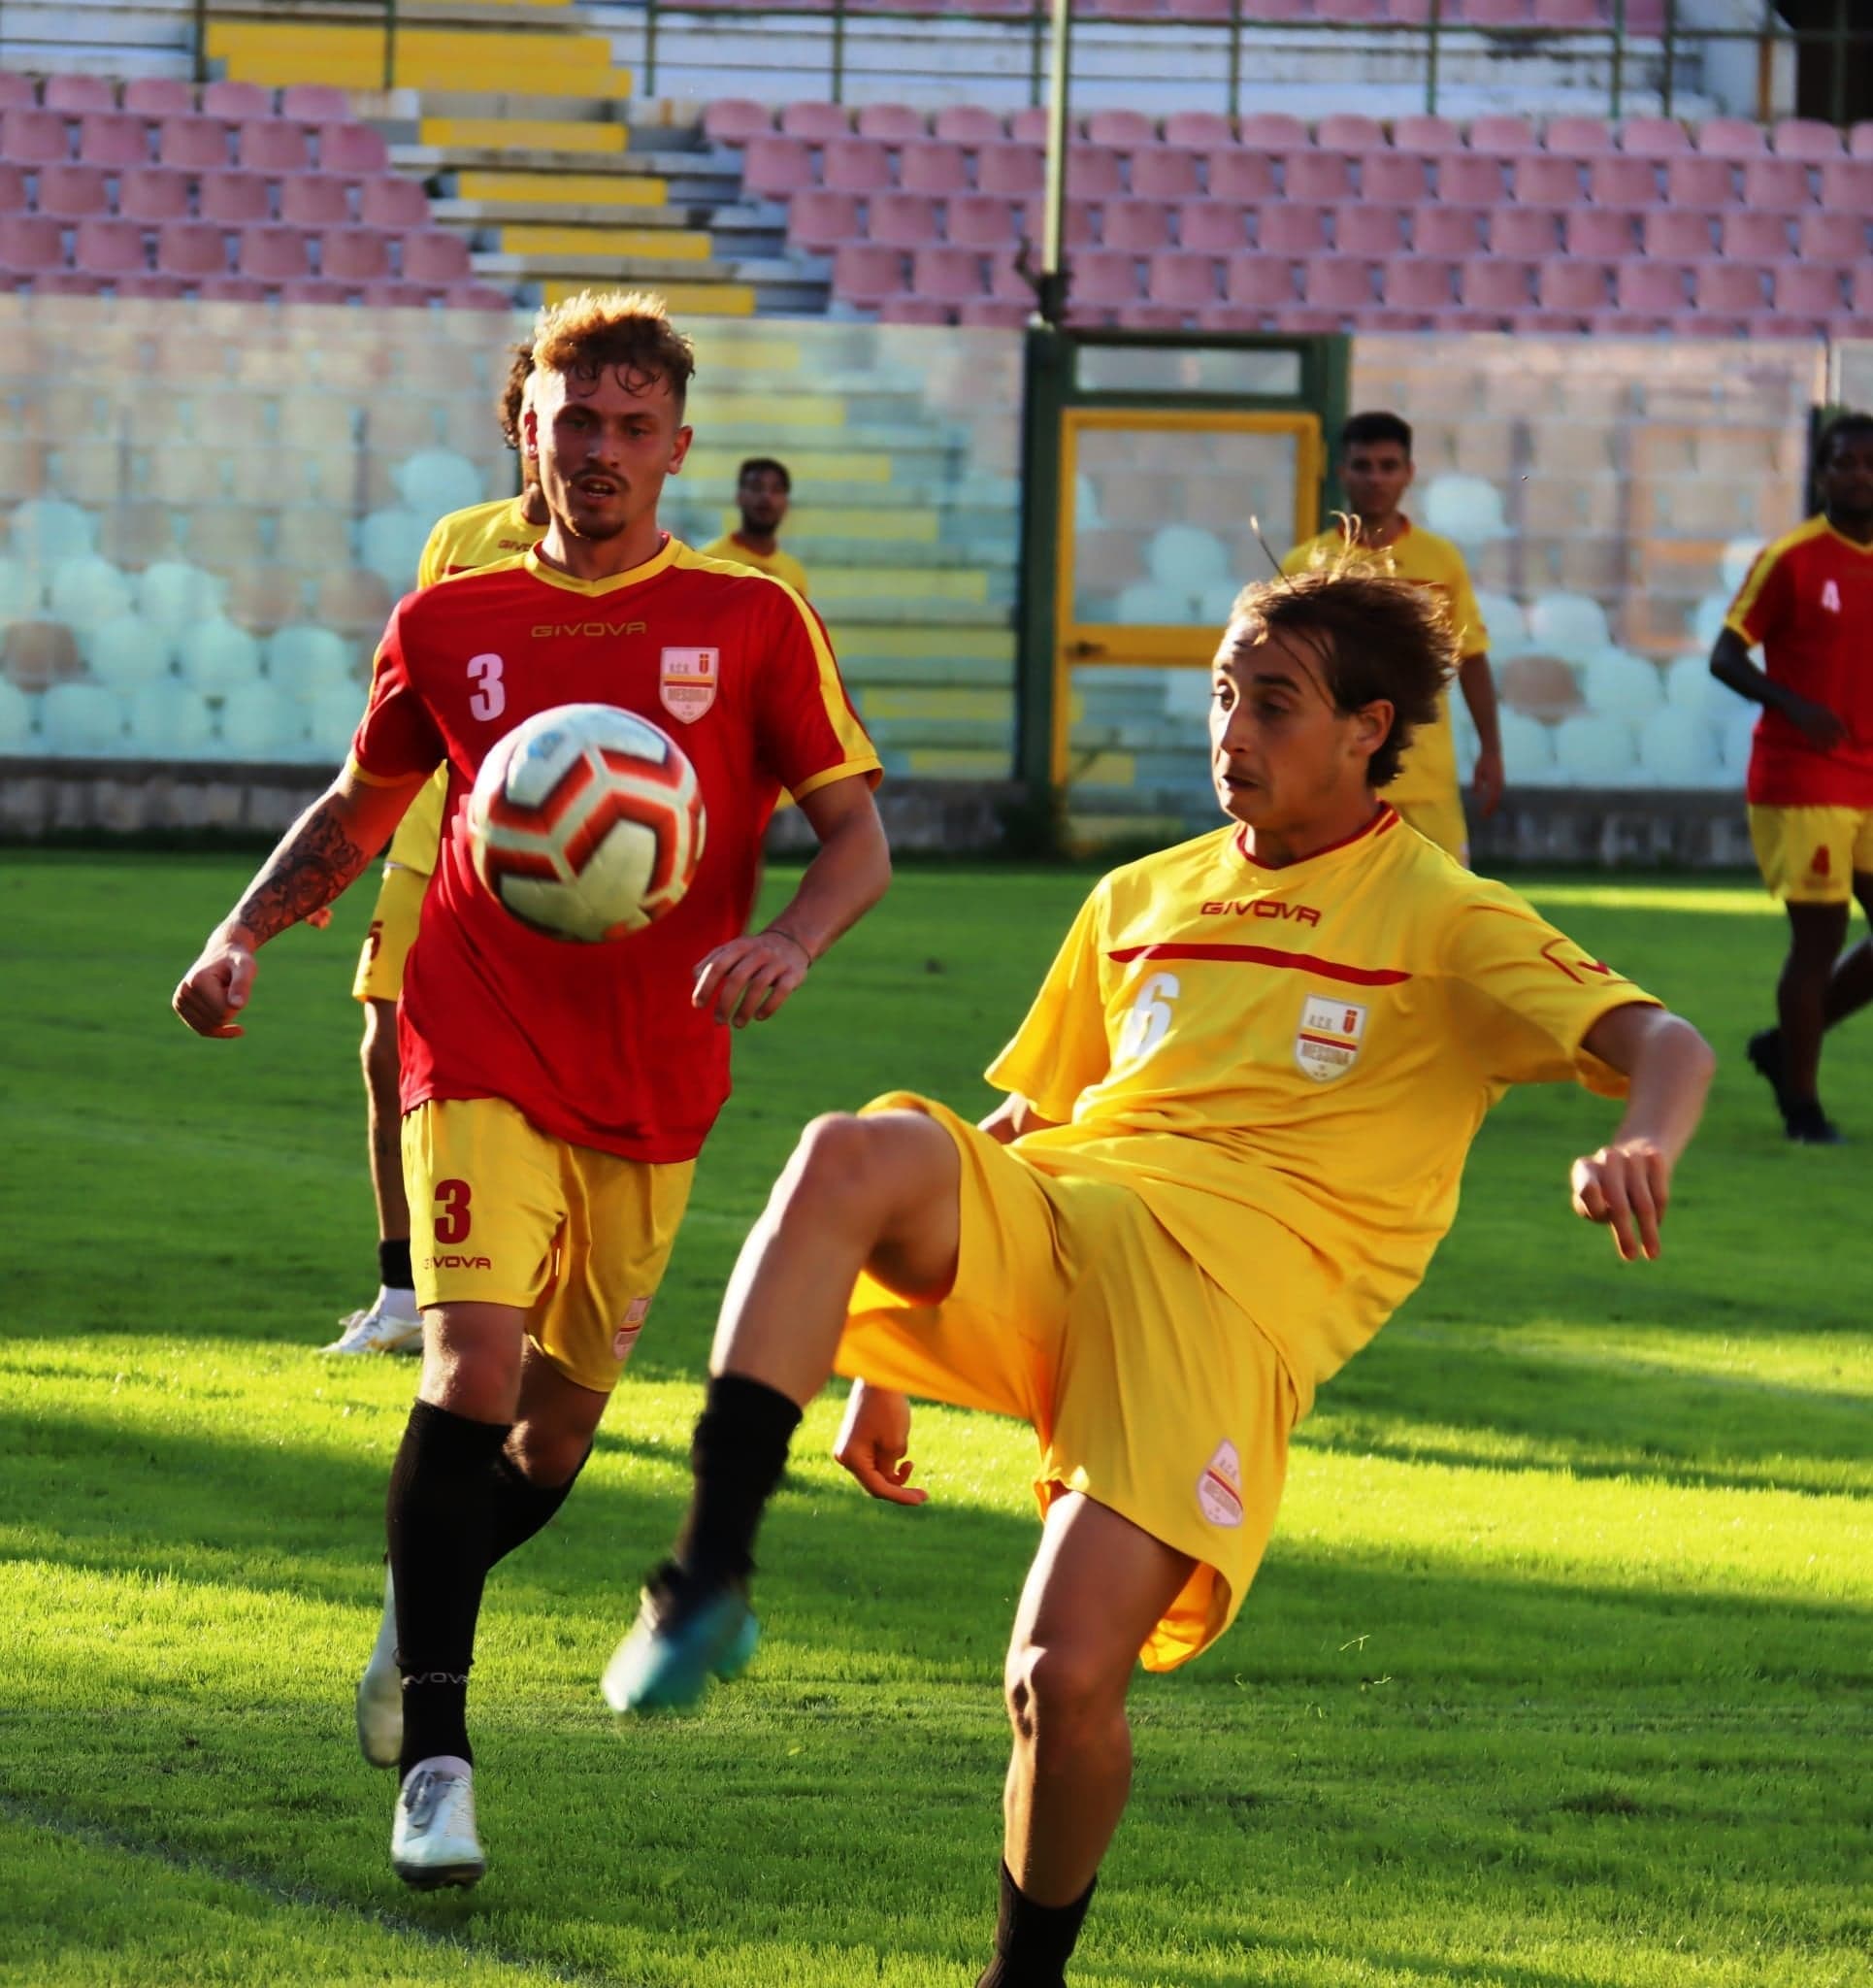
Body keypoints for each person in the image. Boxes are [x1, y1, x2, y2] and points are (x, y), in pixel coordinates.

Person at [606, 567, 1714, 1988]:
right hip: (1066, 1226)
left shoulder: (1442, 914)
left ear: (1370, 729)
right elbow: (1020, 1129)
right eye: (1220, 697)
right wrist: (889, 1357)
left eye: (1272, 704)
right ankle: (706, 1569)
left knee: (1058, 1685)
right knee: (848, 1152)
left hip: (1217, 1319)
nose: (1231, 731)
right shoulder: (1137, 896)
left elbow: (1664, 1039)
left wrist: (1640, 1140)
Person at [172, 289, 889, 1891]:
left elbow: (858, 837)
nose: (605, 454)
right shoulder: (450, 622)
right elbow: (361, 810)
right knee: (470, 1359)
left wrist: (788, 938)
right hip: (476, 1032)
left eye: (637, 429)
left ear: (681, 447)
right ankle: (440, 1751)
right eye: (578, 424)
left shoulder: (755, 619)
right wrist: (239, 932)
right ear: (527, 434)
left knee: (551, 1447)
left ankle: (418, 1603)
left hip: (658, 1074)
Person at [328, 342, 551, 1356]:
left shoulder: (624, 570)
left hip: (552, 860)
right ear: (520, 431)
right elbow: (404, 708)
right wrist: (345, 844)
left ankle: (526, 1300)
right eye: (551, 421)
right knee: (386, 1054)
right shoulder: (459, 542)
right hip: (430, 840)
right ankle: (401, 1294)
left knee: (530, 1075)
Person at [1711, 411, 1873, 1145]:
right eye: (1844, 463)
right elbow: (1726, 654)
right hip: (1803, 772)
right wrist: (1792, 702)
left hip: (1868, 771)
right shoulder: (1794, 558)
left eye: (1870, 463)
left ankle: (1783, 1048)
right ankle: (1801, 1109)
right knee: (1820, 937)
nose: (1858, 475)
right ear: (1821, 473)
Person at [1283, 410, 1503, 864]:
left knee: (1441, 916)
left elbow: (1471, 657)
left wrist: (1491, 750)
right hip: (1337, 779)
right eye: (1363, 466)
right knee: (1336, 916)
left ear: (1408, 474)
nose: (1376, 478)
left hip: (1425, 779)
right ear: (1343, 473)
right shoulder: (1307, 565)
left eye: (1388, 466)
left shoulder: (1440, 561)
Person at [702, 456, 808, 595]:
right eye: (756, 487)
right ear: (739, 497)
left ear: (786, 504)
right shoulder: (708, 561)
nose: (766, 496)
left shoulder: (795, 573)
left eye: (776, 490)